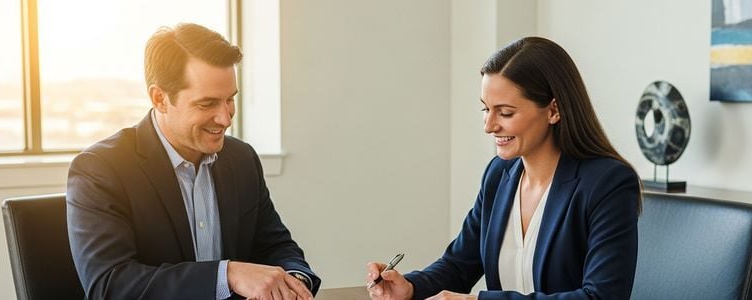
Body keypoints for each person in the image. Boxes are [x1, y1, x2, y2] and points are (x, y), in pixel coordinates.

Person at [366, 37, 641, 300]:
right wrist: (411, 288)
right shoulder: (499, 174)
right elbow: (458, 265)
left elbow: (601, 296)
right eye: (486, 109)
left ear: (554, 110)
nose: (489, 125)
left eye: (506, 112)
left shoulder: (608, 183)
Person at [67, 23, 320, 299]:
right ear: (160, 98)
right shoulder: (100, 169)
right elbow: (110, 285)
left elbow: (276, 246)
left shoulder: (242, 159)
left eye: (230, 100)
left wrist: (291, 281)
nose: (225, 119)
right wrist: (228, 274)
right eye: (207, 104)